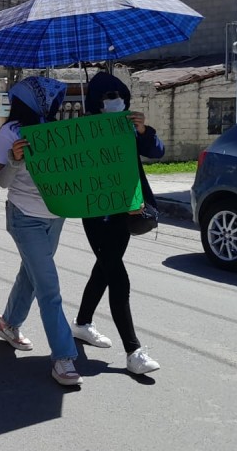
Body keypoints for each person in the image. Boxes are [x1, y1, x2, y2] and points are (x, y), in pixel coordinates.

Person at [0, 76, 82, 387]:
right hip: (25, 216)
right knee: (48, 286)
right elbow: (1, 182)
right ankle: (63, 356)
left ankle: (9, 323)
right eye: (48, 99)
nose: (54, 103)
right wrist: (16, 160)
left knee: (30, 275)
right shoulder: (9, 134)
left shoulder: (58, 131)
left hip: (57, 215)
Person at [72, 72, 163, 375]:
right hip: (96, 214)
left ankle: (82, 324)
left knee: (104, 268)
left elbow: (157, 151)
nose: (116, 100)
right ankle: (133, 351)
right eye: (109, 96)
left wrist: (143, 131)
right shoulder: (82, 131)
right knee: (116, 274)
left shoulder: (129, 127)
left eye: (119, 95)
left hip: (126, 210)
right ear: (96, 103)